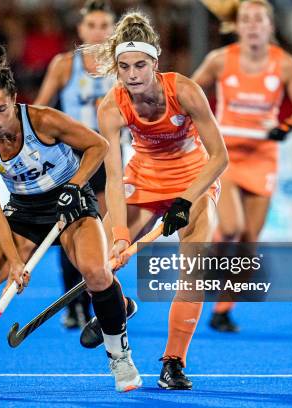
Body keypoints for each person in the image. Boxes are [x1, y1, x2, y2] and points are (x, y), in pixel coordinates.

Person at [0, 43, 142, 396]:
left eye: (0, 109)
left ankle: (119, 356)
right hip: (24, 212)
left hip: (71, 203)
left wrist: (75, 185)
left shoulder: (43, 120)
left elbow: (99, 146)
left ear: (14, 99)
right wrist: (14, 261)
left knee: (96, 272)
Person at [80, 11, 228, 390]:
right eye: (124, 66)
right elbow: (113, 178)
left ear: (155, 63)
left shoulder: (185, 90)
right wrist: (117, 235)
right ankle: (119, 306)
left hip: (194, 179)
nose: (132, 74)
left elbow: (219, 158)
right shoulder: (112, 107)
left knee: (194, 270)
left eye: (140, 65)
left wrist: (185, 201)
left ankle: (173, 362)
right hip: (143, 180)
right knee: (100, 261)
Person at [192, 0, 292, 332]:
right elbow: (187, 91)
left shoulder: (285, 64)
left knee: (249, 239)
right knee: (230, 226)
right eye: (246, 19)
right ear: (238, 26)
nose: (252, 25)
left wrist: (286, 126)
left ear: (269, 26)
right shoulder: (219, 60)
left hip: (263, 157)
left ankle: (223, 310)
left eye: (259, 19)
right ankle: (205, 267)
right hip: (226, 155)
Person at [34, 0, 118, 329]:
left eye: (103, 26)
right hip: (71, 157)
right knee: (71, 227)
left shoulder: (123, 65)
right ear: (81, 30)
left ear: (112, 31)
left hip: (109, 154)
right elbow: (41, 111)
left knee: (104, 232)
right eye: (91, 25)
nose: (97, 31)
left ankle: (100, 300)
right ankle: (73, 303)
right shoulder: (65, 65)